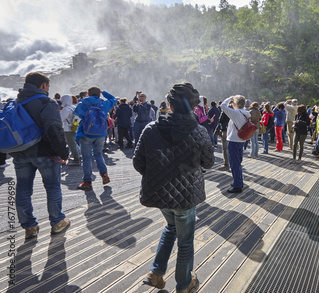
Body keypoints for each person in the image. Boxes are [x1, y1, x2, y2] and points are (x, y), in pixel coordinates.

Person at [134, 82, 214, 292]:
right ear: (194, 107)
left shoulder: (150, 129)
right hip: (186, 196)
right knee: (185, 241)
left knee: (171, 227)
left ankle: (156, 273)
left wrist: (159, 176)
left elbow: (138, 163)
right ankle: (184, 283)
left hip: (160, 195)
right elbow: (208, 163)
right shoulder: (200, 131)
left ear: (168, 103)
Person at [10, 72, 70, 239]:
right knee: (52, 187)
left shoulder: (14, 103)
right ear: (43, 85)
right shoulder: (46, 102)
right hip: (45, 154)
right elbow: (54, 129)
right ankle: (57, 222)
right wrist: (63, 152)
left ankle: (29, 227)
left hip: (20, 153)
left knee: (23, 189)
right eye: (48, 86)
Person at [74, 86, 117, 191]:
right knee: (98, 154)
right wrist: (104, 92)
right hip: (101, 134)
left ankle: (87, 182)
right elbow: (114, 99)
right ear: (99, 94)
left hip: (86, 134)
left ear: (88, 94)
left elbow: (78, 115)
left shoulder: (83, 104)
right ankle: (104, 174)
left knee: (87, 158)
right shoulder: (104, 104)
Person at [220, 95, 251, 193]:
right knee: (238, 163)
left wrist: (229, 98)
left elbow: (223, 106)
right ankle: (239, 182)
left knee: (234, 164)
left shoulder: (235, 113)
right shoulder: (247, 113)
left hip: (233, 140)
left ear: (235, 104)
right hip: (241, 140)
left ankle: (237, 185)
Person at [60, 94, 80, 166]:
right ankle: (77, 156)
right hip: (74, 127)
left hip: (67, 129)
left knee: (71, 145)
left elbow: (61, 119)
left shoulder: (66, 109)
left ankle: (76, 160)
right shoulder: (73, 107)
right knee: (74, 143)